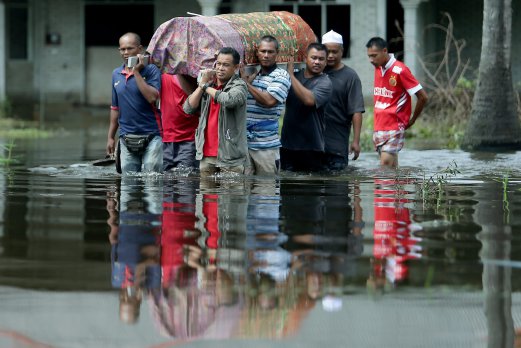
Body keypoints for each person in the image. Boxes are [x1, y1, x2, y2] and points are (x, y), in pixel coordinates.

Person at [183, 47, 248, 177]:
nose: (220, 68)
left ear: (235, 67)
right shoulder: (209, 86)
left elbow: (228, 100)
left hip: (230, 156)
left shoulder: (239, 85)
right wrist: (202, 86)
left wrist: (204, 86)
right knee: (206, 196)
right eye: (218, 64)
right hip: (206, 154)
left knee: (230, 196)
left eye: (226, 65)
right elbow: (188, 108)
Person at [366, 36, 428, 168]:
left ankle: (385, 189)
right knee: (392, 169)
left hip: (394, 126)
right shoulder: (378, 68)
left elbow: (423, 97)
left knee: (384, 167)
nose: (371, 60)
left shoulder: (400, 70)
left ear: (384, 51)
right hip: (379, 126)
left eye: (374, 55)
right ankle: (399, 188)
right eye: (369, 56)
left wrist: (412, 120)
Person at [106, 32, 163, 174]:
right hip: (126, 137)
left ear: (140, 49)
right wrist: (110, 137)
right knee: (128, 187)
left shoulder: (151, 71)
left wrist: (136, 72)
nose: (126, 52)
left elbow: (152, 98)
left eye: (130, 48)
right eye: (122, 49)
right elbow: (115, 108)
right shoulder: (116, 74)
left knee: (152, 184)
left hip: (152, 135)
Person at [240, 35, 291, 175]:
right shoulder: (252, 75)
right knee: (244, 192)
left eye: (270, 52)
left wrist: (245, 84)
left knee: (267, 192)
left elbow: (269, 101)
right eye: (263, 51)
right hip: (245, 145)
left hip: (266, 146)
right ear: (257, 52)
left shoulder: (281, 75)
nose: (266, 55)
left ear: (277, 53)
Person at [280, 43, 332, 172]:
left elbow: (309, 100)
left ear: (326, 62)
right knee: (286, 188)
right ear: (305, 58)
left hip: (312, 148)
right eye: (313, 58)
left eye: (321, 59)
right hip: (287, 145)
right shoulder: (295, 75)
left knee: (311, 190)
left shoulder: (325, 82)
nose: (317, 62)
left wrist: (290, 76)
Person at [322, 30, 365, 171]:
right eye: (327, 52)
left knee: (338, 189)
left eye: (335, 52)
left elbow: (356, 110)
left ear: (342, 51)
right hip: (314, 145)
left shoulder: (350, 76)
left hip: (337, 145)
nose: (330, 56)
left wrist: (356, 141)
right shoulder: (315, 72)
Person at [160, 74, 199, 171]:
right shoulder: (162, 72)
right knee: (166, 183)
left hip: (188, 139)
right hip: (166, 139)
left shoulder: (193, 74)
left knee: (186, 182)